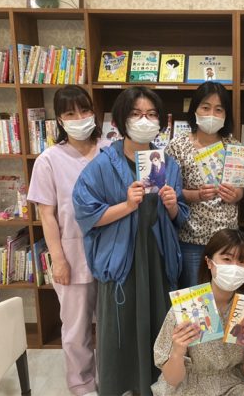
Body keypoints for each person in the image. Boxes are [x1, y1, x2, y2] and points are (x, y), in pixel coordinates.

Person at [72, 86, 189, 395]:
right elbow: (86, 214)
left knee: (159, 323)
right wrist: (126, 206)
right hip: (121, 260)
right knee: (119, 327)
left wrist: (171, 205)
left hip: (157, 258)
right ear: (121, 120)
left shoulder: (167, 164)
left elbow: (179, 217)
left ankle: (157, 384)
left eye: (151, 114)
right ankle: (120, 385)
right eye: (136, 114)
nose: (144, 120)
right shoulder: (102, 165)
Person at [27, 85, 106, 396]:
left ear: (94, 112)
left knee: (112, 327)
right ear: (59, 120)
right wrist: (58, 260)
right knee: (76, 329)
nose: (79, 118)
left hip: (111, 254)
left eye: (84, 110)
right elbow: (47, 216)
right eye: (70, 113)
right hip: (72, 256)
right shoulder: (48, 160)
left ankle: (113, 380)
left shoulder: (109, 150)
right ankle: (82, 385)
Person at [151, 228, 244, 395]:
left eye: (242, 261)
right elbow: (172, 379)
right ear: (209, 263)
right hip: (187, 387)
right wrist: (178, 352)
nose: (234, 267)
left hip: (232, 386)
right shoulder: (186, 306)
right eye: (227, 259)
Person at [165, 81, 243, 288]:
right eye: (205, 107)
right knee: (195, 298)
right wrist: (196, 195)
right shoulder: (178, 146)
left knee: (224, 295)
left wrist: (234, 195)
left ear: (226, 114)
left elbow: (240, 191)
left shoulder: (234, 146)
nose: (211, 114)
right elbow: (171, 192)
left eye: (219, 109)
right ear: (195, 110)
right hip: (191, 237)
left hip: (226, 237)